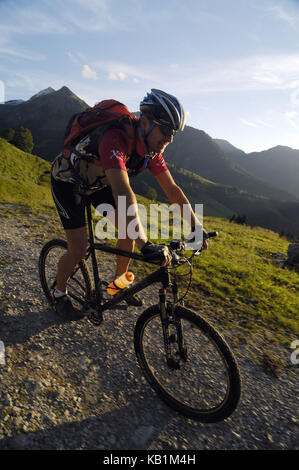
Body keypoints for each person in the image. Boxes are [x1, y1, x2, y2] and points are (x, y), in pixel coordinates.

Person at [50, 89, 208, 320]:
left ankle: (117, 285)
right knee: (78, 249)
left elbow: (173, 190)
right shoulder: (115, 138)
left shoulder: (151, 152)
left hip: (97, 183)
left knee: (128, 231)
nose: (169, 138)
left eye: (173, 133)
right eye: (165, 130)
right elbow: (123, 191)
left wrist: (197, 227)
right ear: (145, 122)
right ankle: (58, 292)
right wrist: (145, 244)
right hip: (68, 183)